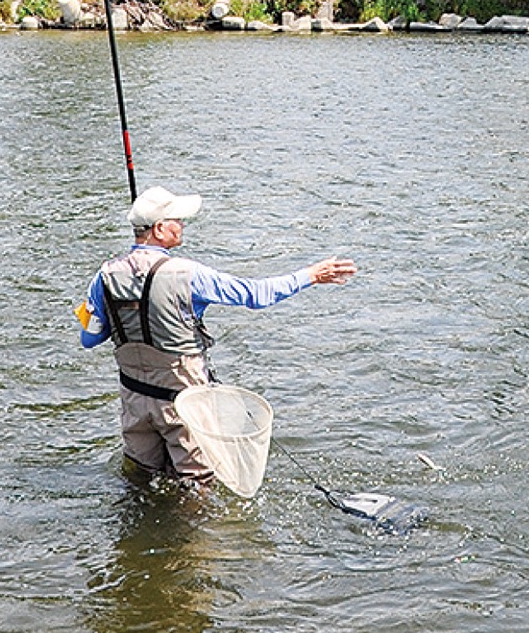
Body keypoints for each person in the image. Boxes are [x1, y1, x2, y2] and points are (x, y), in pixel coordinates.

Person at [76, 183, 356, 482]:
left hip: (134, 403)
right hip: (184, 404)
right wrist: (311, 275)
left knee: (141, 480)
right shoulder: (189, 274)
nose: (182, 225)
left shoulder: (104, 275)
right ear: (159, 229)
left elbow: (89, 339)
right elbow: (256, 295)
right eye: (177, 220)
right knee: (197, 485)